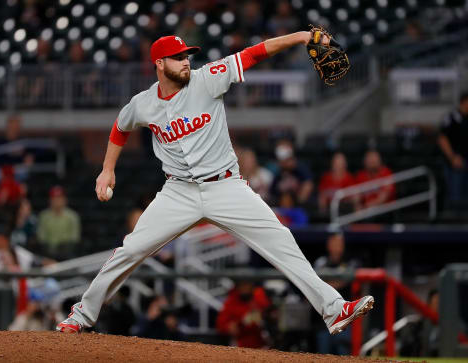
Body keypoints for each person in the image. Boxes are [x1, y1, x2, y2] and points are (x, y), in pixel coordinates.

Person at [56, 32, 373, 335]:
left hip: (225, 187)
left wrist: (302, 37)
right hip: (178, 192)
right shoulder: (143, 103)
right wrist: (107, 169)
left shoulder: (208, 79)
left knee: (282, 242)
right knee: (129, 251)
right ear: (159, 64)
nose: (185, 62)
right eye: (177, 57)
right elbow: (120, 127)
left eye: (186, 56)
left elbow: (255, 53)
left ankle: (334, 309)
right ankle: (81, 315)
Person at [313, 233, 360, 355]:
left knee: (343, 353)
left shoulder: (350, 262)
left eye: (339, 243)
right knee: (324, 354)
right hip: (324, 318)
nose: (336, 246)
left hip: (344, 318)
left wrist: (328, 284)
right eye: (333, 243)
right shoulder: (321, 262)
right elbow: (315, 283)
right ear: (329, 245)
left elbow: (344, 281)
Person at [216, 281, 271, 348]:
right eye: (242, 285)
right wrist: (229, 326)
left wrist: (262, 314)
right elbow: (221, 325)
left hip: (262, 342)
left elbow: (268, 312)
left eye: (247, 285)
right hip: (241, 344)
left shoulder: (259, 296)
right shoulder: (232, 301)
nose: (245, 288)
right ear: (238, 287)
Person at [437, 92, 468, 203]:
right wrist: (452, 157)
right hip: (455, 162)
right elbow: (442, 138)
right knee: (455, 195)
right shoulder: (452, 117)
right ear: (463, 102)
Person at [37, 186, 81, 259]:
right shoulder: (44, 216)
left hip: (67, 254)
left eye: (59, 198)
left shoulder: (72, 216)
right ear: (50, 200)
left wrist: (64, 247)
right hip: (48, 254)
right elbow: (41, 237)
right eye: (54, 198)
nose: (57, 201)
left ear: (65, 200)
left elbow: (75, 237)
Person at [270, 139, 314, 206]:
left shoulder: (301, 169)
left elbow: (308, 185)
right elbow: (272, 191)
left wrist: (298, 203)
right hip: (281, 208)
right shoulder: (278, 172)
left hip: (298, 208)